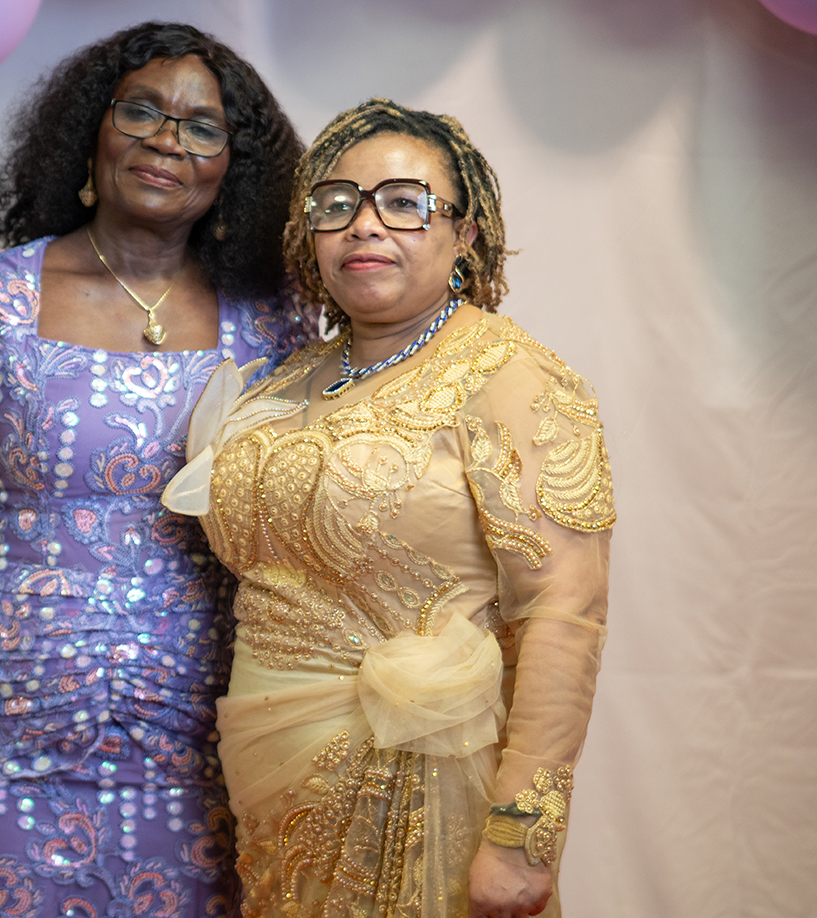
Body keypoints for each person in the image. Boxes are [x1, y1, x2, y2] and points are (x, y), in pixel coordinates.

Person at [0, 22, 312, 918]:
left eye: (202, 127)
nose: (166, 140)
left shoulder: (272, 328)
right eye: (141, 111)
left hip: (198, 750)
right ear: (92, 130)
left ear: (233, 166)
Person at [162, 99, 614, 918]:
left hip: (421, 788)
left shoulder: (510, 377)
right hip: (266, 790)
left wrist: (521, 838)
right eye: (336, 204)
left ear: (464, 233)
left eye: (404, 203)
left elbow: (564, 610)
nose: (364, 225)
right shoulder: (286, 378)